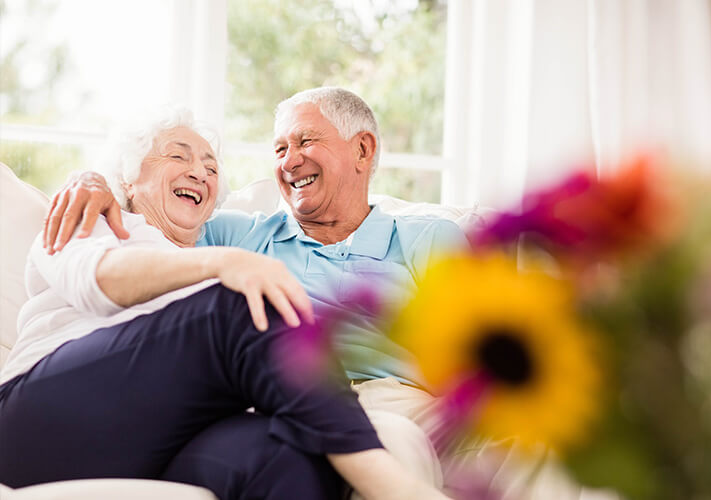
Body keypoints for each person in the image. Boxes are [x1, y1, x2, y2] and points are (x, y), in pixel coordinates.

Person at [43, 88, 534, 498]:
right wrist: (91, 179)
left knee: (538, 440)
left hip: (416, 395)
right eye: (279, 149)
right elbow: (154, 220)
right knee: (391, 442)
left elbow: (488, 347)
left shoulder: (431, 238)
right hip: (300, 398)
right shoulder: (238, 235)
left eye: (305, 141)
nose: (289, 160)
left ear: (363, 150)